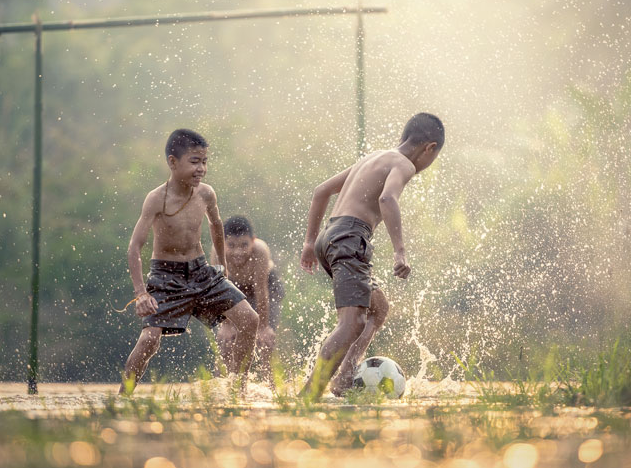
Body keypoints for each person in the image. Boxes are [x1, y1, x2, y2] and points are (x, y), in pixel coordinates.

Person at [298, 113, 445, 402]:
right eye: (434, 156)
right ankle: (308, 397)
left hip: (330, 236)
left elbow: (321, 192)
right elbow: (387, 199)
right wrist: (400, 251)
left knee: (378, 308)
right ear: (429, 148)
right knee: (351, 323)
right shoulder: (403, 164)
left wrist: (308, 242)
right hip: (351, 237)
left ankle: (344, 378)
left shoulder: (375, 157)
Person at [121, 129, 259, 391]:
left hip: (202, 272)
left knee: (250, 320)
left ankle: (238, 389)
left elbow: (216, 225)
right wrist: (141, 293)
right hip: (166, 276)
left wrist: (222, 268)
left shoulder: (206, 194)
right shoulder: (156, 199)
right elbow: (134, 247)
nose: (202, 169)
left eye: (204, 161)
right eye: (194, 161)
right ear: (173, 162)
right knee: (150, 339)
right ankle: (123, 396)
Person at [212, 216, 285, 377]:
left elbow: (261, 290)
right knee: (227, 339)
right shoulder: (217, 253)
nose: (238, 252)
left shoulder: (260, 250)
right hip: (232, 287)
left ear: (253, 240)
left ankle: (271, 384)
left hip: (266, 287)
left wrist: (263, 327)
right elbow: (219, 290)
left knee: (264, 340)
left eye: (244, 245)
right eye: (231, 245)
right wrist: (226, 325)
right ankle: (225, 382)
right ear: (223, 243)